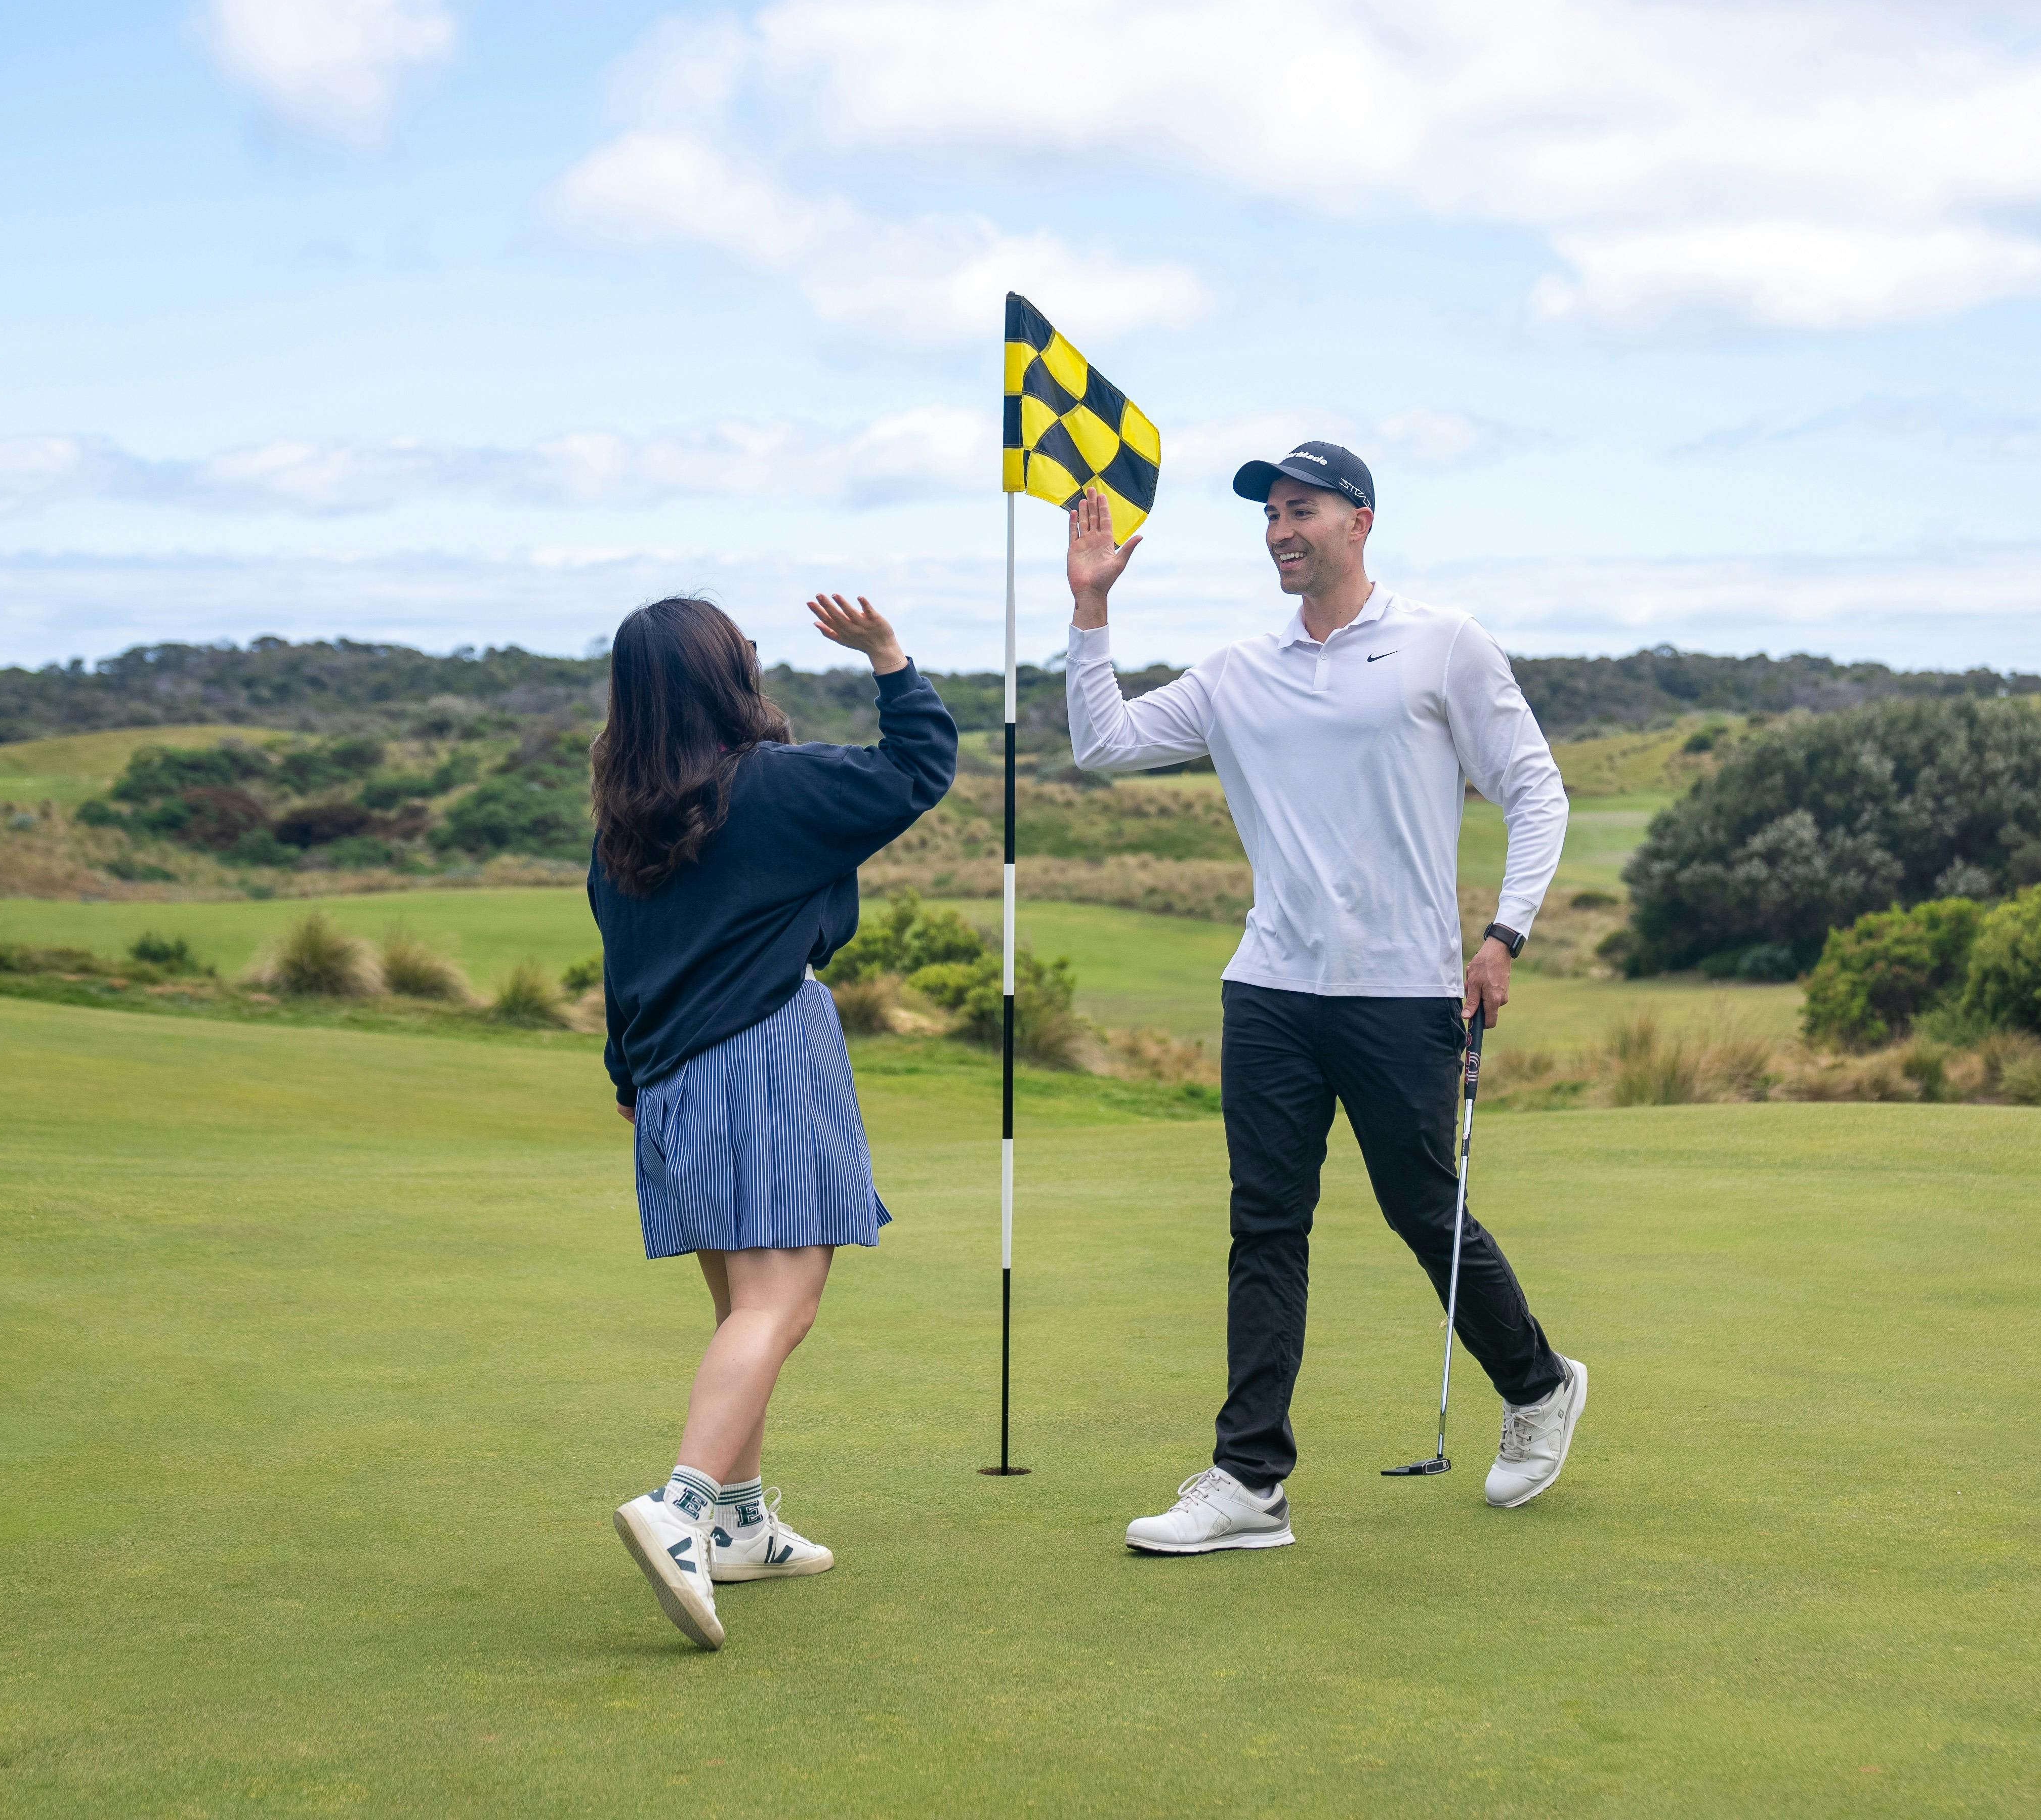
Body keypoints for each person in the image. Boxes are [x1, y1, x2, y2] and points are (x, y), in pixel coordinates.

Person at [1062, 441, 1585, 1554]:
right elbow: (1101, 742)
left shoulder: (1443, 644)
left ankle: (1539, 1384)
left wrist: (1503, 937)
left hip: (1402, 993)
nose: (1281, 530)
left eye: (1302, 509)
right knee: (1266, 1225)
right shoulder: (1237, 671)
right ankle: (1251, 1477)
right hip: (1270, 990)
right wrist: (1091, 610)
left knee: (1421, 1211)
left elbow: (1537, 792)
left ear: (1361, 519)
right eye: (1270, 515)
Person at [594, 592, 956, 1649]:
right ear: (728, 677)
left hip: (668, 1080)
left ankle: (744, 1525)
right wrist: (890, 654)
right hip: (763, 1056)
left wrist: (629, 1072)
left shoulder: (628, 818)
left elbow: (623, 971)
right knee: (782, 1304)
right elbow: (916, 770)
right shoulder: (774, 785)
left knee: (741, 1306)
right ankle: (684, 1507)